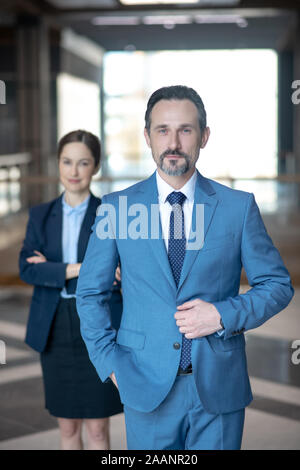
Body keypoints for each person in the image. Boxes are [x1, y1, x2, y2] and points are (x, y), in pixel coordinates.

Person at [76, 86, 294, 450]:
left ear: (204, 137)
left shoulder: (237, 208)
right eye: (162, 130)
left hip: (218, 387)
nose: (173, 142)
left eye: (185, 130)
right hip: (143, 384)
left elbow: (276, 285)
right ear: (147, 137)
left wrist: (223, 315)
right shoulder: (115, 209)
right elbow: (90, 293)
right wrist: (110, 363)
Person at [19, 130, 123, 450]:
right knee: (66, 431)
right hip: (54, 328)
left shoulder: (111, 212)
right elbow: (27, 268)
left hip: (97, 324)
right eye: (67, 162)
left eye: (83, 163)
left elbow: (122, 272)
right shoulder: (40, 215)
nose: (74, 171)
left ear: (96, 167)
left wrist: (53, 268)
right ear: (58, 164)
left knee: (97, 431)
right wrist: (82, 268)